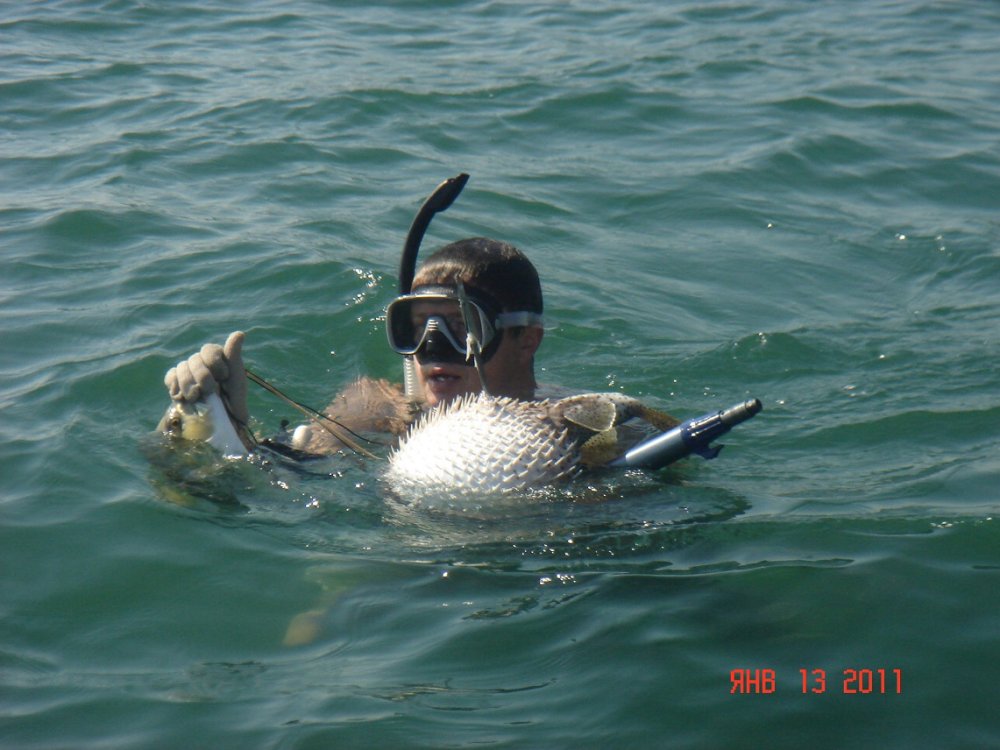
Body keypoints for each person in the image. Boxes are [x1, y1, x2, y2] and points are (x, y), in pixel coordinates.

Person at [161, 237, 547, 456]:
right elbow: (269, 489)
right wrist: (210, 425)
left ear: (526, 340)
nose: (431, 347)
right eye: (417, 327)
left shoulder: (566, 427)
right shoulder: (376, 409)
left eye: (462, 326)